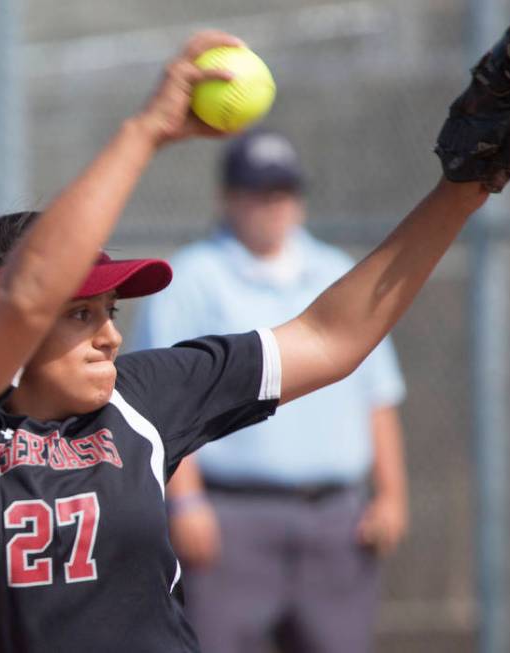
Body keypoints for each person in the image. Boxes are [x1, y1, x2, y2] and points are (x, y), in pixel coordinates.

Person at [0, 29, 490, 653]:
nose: (110, 334)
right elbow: (28, 295)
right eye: (82, 313)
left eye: (109, 310)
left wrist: (471, 181)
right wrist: (146, 131)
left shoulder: (139, 400)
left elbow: (332, 336)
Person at [130, 128, 409, 653]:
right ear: (227, 197)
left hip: (337, 519)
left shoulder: (334, 270)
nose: (273, 205)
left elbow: (378, 394)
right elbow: (164, 408)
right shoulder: (191, 278)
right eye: (258, 192)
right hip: (231, 518)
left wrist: (391, 495)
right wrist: (185, 502)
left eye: (283, 191)